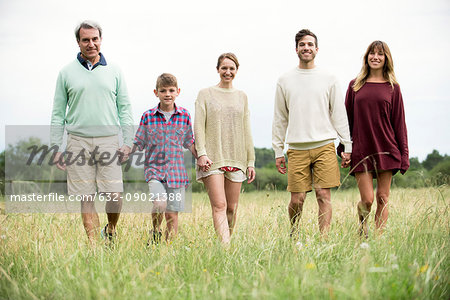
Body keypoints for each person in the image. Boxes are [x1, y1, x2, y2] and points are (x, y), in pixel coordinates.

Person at [50, 21, 133, 244]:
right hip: (77, 141)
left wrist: (128, 141)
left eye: (94, 39)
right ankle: (94, 248)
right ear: (78, 42)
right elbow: (58, 113)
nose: (91, 44)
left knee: (115, 196)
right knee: (86, 196)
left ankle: (112, 229)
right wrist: (56, 147)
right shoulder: (66, 73)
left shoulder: (114, 70)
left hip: (109, 141)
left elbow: (124, 108)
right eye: (85, 39)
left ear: (100, 40)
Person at [272, 29, 352, 238]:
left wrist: (347, 145)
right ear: (296, 49)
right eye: (302, 45)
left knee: (323, 195)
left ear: (316, 49)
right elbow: (280, 118)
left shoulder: (329, 78)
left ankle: (323, 239)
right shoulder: (285, 80)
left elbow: (339, 114)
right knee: (297, 199)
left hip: (324, 145)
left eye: (310, 44)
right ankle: (293, 234)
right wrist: (278, 151)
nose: (306, 48)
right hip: (297, 148)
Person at [341, 40, 409, 237]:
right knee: (368, 199)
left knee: (382, 197)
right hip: (362, 149)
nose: (375, 57)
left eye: (380, 54)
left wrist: (404, 155)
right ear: (366, 57)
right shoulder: (355, 85)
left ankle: (378, 241)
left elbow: (399, 124)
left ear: (386, 58)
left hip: (387, 149)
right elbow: (346, 120)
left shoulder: (393, 87)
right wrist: (344, 148)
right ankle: (362, 229)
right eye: (372, 53)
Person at [194, 53, 256, 244]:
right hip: (212, 158)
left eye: (231, 69)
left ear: (236, 71)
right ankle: (226, 248)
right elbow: (198, 126)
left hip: (237, 157)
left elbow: (247, 129)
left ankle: (226, 240)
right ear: (218, 69)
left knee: (232, 208)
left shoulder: (242, 96)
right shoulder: (205, 94)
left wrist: (250, 161)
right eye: (224, 68)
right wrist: (202, 153)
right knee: (219, 205)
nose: (227, 72)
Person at [133, 73, 197, 244]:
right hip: (154, 171)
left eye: (171, 90)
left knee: (172, 214)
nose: (167, 94)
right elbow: (138, 142)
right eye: (163, 91)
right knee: (160, 204)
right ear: (156, 92)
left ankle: (169, 249)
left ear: (178, 92)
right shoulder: (148, 116)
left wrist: (202, 158)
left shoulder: (184, 115)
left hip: (177, 174)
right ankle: (155, 232)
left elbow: (189, 141)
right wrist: (124, 153)